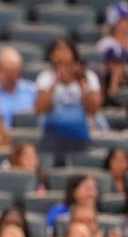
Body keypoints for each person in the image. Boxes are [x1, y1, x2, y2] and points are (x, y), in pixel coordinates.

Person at [35, 38, 102, 166]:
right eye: (57, 50)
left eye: (65, 49)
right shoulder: (45, 77)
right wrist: (55, 82)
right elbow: (39, 109)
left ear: (73, 53)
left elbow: (93, 108)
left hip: (79, 135)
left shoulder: (88, 76)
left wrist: (80, 82)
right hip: (52, 137)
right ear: (51, 55)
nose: (61, 54)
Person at [97, 1, 128, 106]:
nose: (125, 24)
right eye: (122, 20)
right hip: (112, 78)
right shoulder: (106, 42)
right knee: (116, 67)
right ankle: (112, 98)